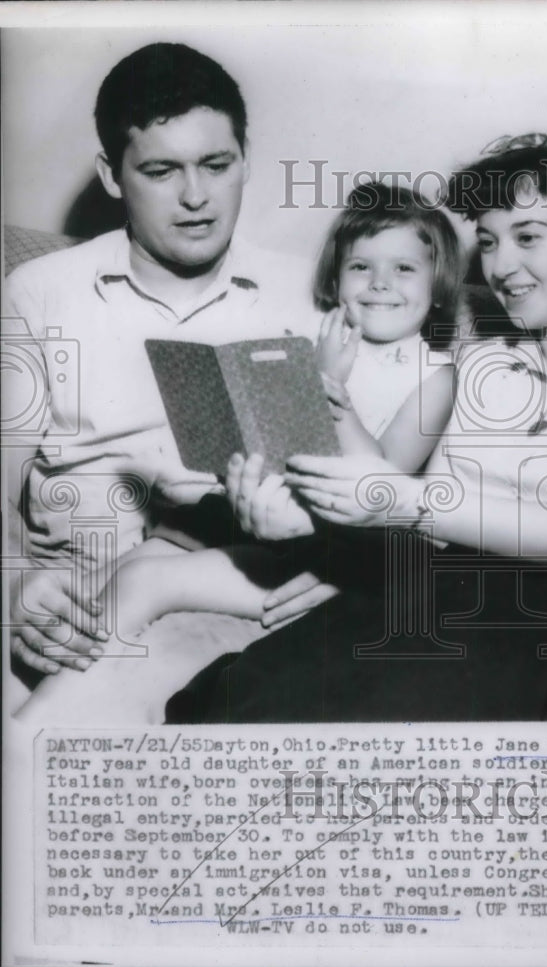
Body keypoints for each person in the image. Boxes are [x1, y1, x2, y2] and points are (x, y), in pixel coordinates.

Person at [167, 133, 547, 723]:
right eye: (489, 242)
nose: (499, 266)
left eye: (528, 237)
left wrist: (406, 503)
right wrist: (328, 399)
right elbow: (382, 482)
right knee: (240, 707)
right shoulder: (474, 361)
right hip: (448, 594)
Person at [3, 42, 323, 692]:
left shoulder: (308, 294)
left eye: (216, 164)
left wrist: (341, 567)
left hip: (228, 588)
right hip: (66, 591)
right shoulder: (39, 291)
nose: (196, 196)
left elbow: (356, 483)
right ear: (112, 174)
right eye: (161, 171)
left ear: (244, 161)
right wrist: (12, 580)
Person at [62, 182, 461, 639]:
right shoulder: (315, 334)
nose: (380, 283)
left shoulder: (434, 376)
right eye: (360, 266)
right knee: (87, 587)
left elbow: (381, 478)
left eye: (404, 268)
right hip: (248, 510)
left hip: (327, 540)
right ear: (336, 280)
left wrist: (329, 388)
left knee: (137, 586)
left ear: (439, 286)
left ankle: (74, 677)